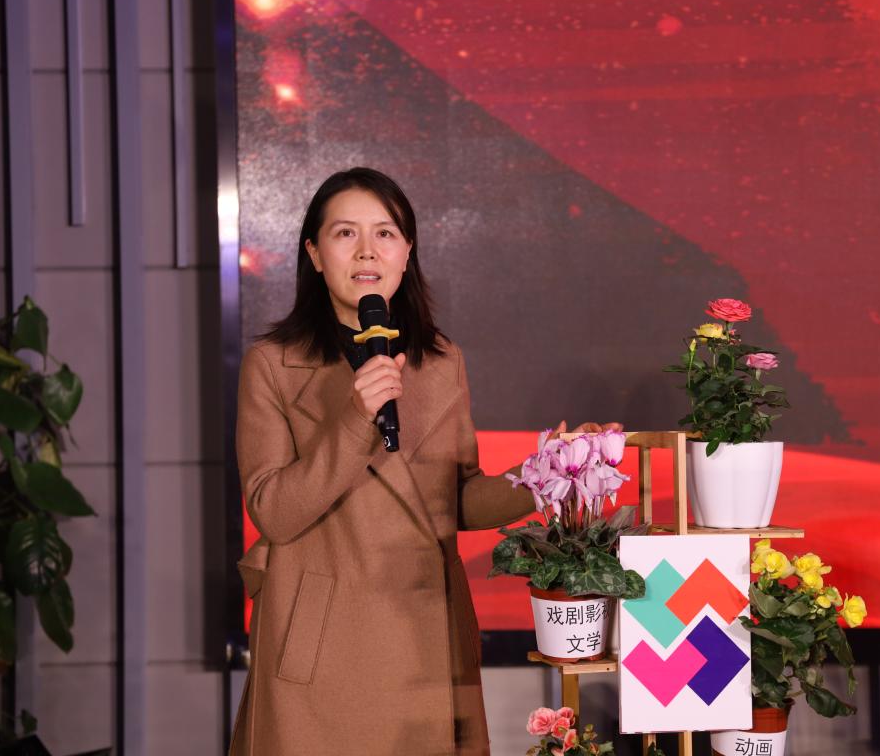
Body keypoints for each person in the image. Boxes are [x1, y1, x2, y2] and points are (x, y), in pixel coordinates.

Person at [229, 167, 616, 755]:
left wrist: (545, 475)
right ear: (314, 253)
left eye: (385, 233)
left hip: (423, 634)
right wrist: (355, 417)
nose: (367, 250)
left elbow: (455, 498)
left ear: (407, 252)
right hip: (320, 645)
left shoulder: (440, 361)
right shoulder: (272, 365)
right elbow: (274, 512)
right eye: (345, 233)